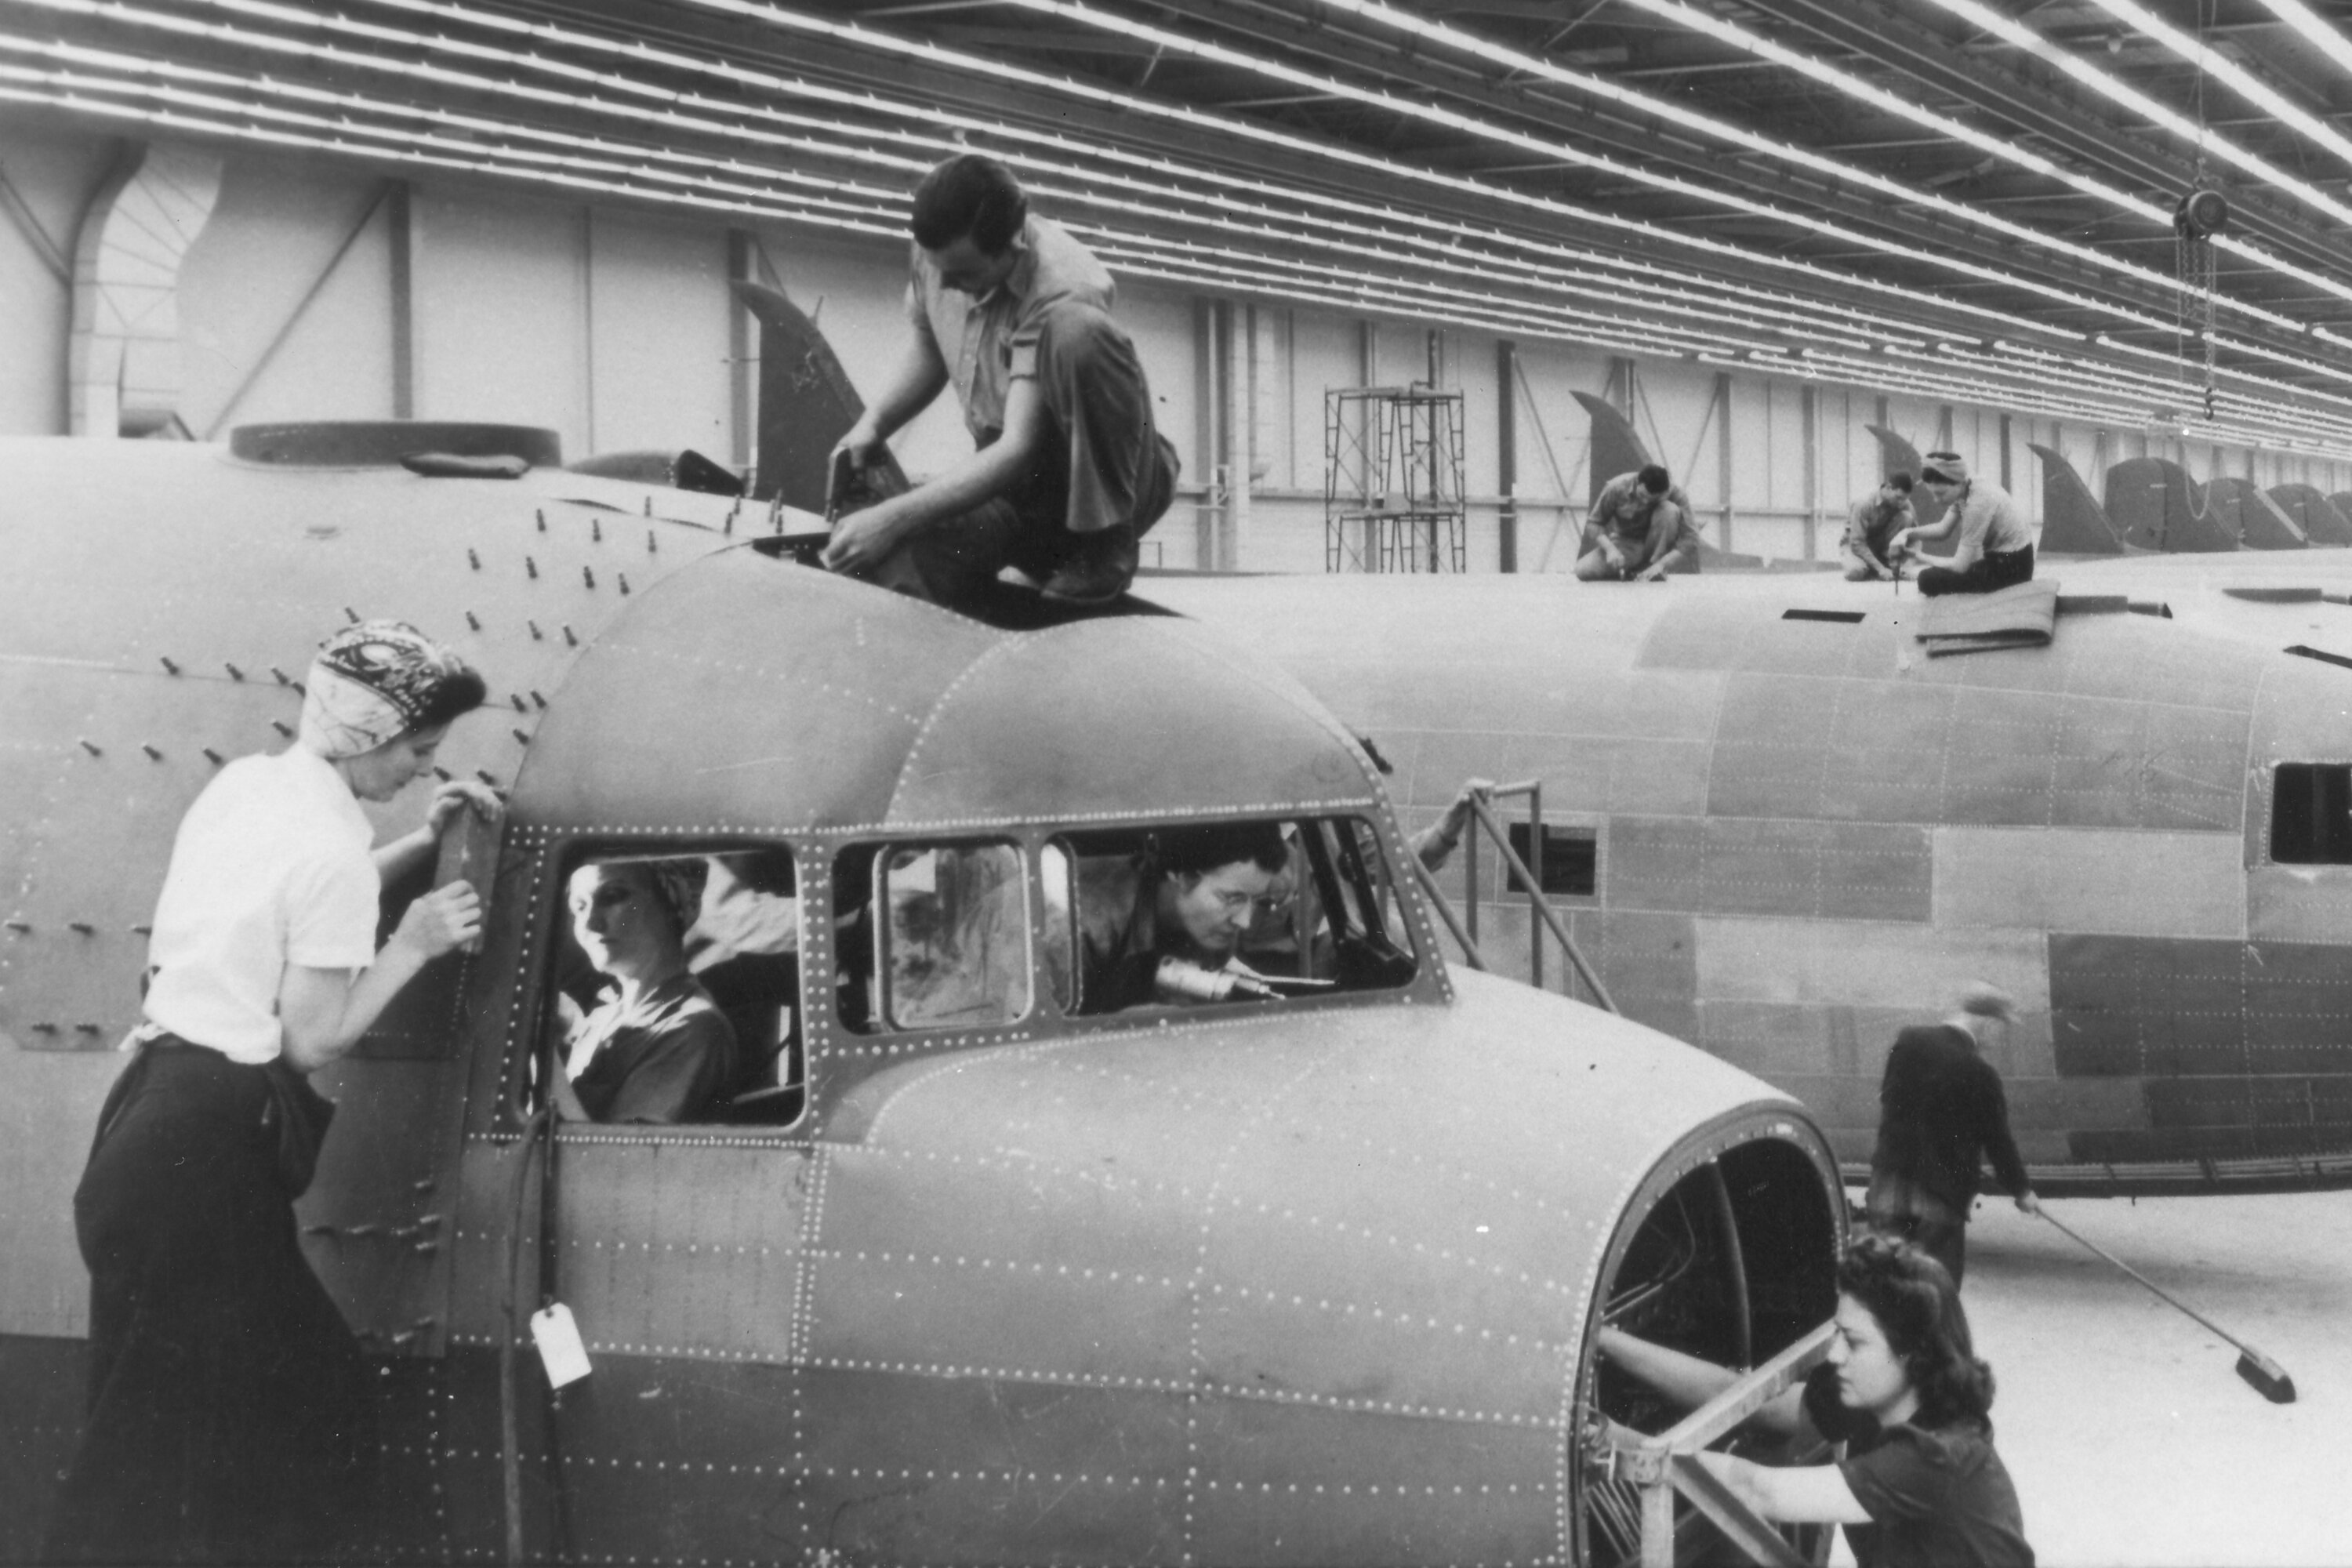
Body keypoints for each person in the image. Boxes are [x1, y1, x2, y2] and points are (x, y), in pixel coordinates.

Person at [45, 620, 495, 1566]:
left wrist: (422, 839)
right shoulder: (330, 854)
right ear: (370, 734)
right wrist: (413, 942)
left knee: (149, 1431)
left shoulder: (248, 787)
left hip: (145, 1123)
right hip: (207, 1155)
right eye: (419, 748)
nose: (425, 767)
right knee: (310, 1406)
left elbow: (289, 900)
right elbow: (311, 1037)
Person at [822, 152, 1181, 608]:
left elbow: (1018, 447)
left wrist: (891, 518)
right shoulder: (940, 251)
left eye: (964, 273)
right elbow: (929, 345)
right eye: (937, 269)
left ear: (1015, 245)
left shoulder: (1063, 283)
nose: (945, 285)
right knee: (903, 552)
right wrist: (872, 425)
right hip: (1017, 487)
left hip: (1089, 471)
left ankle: (1105, 544)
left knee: (1078, 332)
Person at [1595, 1233, 2034, 1567]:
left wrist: (1616, 1442)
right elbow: (1737, 1397)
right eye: (1837, 1334)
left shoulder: (1937, 1457)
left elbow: (1757, 1489)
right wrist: (1603, 1340)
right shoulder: (1875, 1400)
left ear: (1912, 1354)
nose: (1835, 1355)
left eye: (1854, 1342)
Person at [1867, 985, 2041, 1287]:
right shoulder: (1980, 1073)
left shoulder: (1908, 1040)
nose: (1998, 1039)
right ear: (1988, 1022)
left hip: (1888, 1188)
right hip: (1940, 1198)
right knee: (1935, 1294)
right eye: (2001, 1029)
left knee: (1886, 1290)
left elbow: (1887, 1097)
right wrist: (2022, 1191)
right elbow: (1998, 1142)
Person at [552, 859, 738, 1124]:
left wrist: (544, 1055)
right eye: (580, 907)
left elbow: (613, 1149)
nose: (591, 922)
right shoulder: (602, 1018)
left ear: (671, 905)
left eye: (612, 897)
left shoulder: (694, 1028)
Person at [1074, 822, 1290, 1011]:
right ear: (1186, 878)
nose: (1244, 922)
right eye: (1232, 899)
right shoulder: (1084, 925)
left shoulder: (1209, 924)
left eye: (1258, 900)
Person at [1886, 452, 2034, 597]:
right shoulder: (1966, 485)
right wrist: (1905, 533)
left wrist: (1917, 555)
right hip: (2006, 558)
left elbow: (1959, 566)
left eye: (1941, 493)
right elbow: (1943, 529)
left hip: (2013, 567)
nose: (1936, 500)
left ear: (1959, 483)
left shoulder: (1977, 505)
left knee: (1927, 579)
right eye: (1933, 494)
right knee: (1936, 574)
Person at [1575, 463, 1700, 581]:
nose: (1645, 502)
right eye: (1642, 496)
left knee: (1669, 510)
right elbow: (1595, 523)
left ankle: (1653, 568)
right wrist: (1610, 550)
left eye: (1653, 500)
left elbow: (1691, 538)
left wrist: (1662, 564)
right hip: (1627, 544)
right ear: (1637, 482)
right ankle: (1632, 571)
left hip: (1658, 549)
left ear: (1665, 492)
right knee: (1582, 570)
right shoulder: (1616, 487)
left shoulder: (1676, 494)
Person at [1843, 472, 1918, 582]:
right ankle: (1875, 568)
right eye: (1898, 498)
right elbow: (1857, 543)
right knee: (1855, 572)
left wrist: (1907, 566)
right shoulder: (1864, 503)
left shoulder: (1904, 503)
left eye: (1904, 499)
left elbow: (1915, 537)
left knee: (1906, 517)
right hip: (1857, 548)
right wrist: (1880, 569)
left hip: (1882, 548)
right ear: (1888, 487)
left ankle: (1888, 565)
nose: (1901, 503)